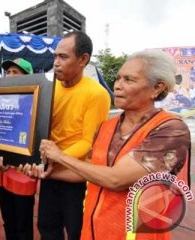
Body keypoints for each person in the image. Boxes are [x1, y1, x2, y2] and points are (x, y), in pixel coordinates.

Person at [23, 50, 191, 240]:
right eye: (118, 78)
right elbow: (89, 170)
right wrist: (44, 172)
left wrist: (59, 155)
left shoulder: (170, 129)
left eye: (129, 80)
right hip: (94, 231)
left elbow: (116, 179)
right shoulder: (107, 127)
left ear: (157, 88)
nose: (117, 86)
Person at [33, 31, 110, 240]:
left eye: (63, 57)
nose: (56, 63)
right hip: (49, 171)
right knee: (47, 228)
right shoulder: (49, 88)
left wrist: (55, 158)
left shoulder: (97, 94)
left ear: (83, 60)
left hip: (76, 176)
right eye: (55, 56)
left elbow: (88, 142)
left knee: (77, 231)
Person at [0, 58, 38, 240]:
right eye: (8, 72)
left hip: (23, 177)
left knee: (23, 227)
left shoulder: (35, 105)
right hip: (2, 176)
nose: (10, 76)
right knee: (8, 222)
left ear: (27, 77)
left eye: (15, 72)